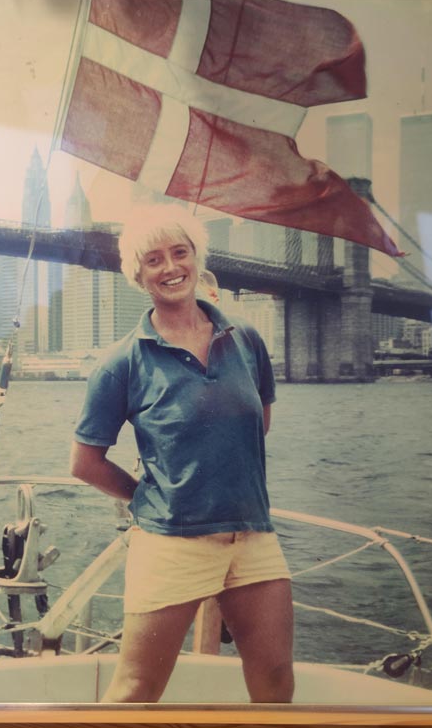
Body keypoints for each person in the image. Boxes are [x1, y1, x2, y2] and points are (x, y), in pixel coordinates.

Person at [70, 204, 294, 703]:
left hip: (253, 536)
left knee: (277, 683)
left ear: (198, 258)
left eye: (180, 252)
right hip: (171, 544)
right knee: (135, 689)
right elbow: (84, 462)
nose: (170, 268)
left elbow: (259, 424)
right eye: (154, 260)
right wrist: (151, 498)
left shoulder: (246, 340)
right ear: (137, 274)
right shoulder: (120, 363)